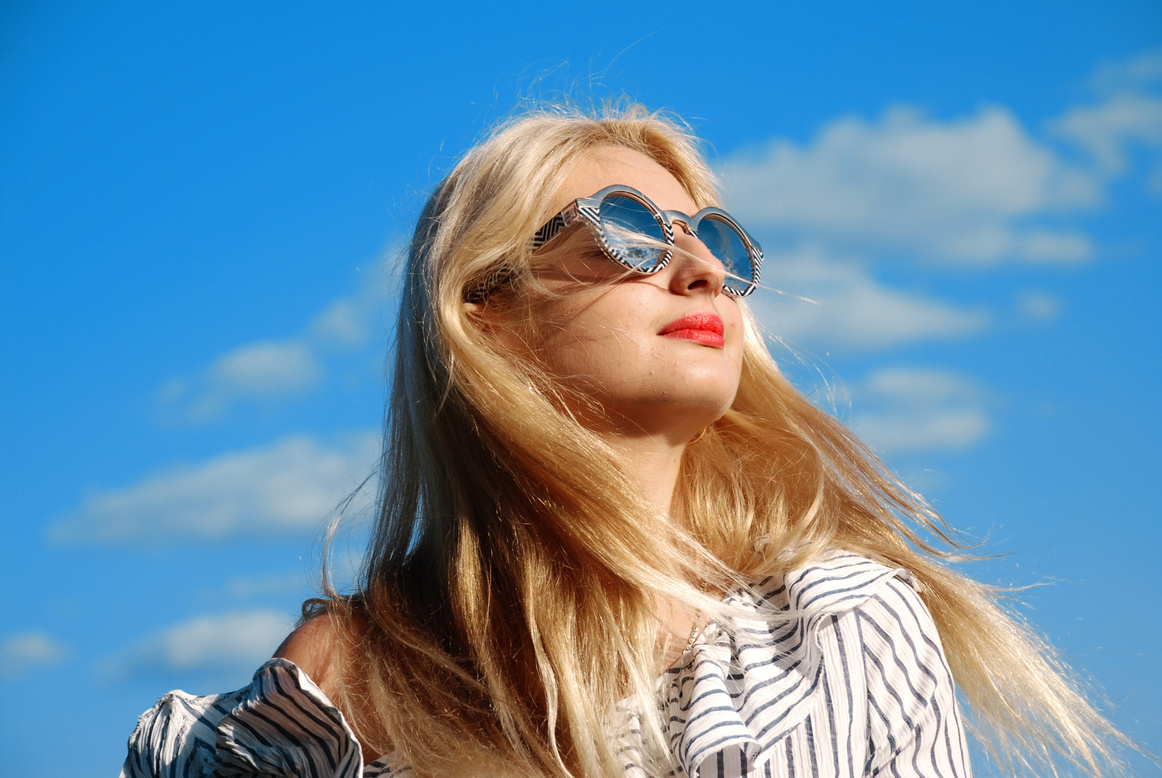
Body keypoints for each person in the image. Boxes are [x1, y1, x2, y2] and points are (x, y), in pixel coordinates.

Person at [121, 105, 1131, 778]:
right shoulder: (335, 695)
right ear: (484, 309)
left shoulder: (838, 637)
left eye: (717, 242)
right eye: (626, 230)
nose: (698, 268)